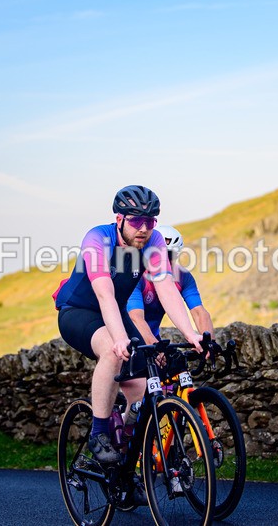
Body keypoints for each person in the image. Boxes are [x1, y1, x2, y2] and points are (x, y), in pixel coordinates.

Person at [55, 186, 203, 465]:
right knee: (113, 351)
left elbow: (166, 288)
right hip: (79, 311)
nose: (143, 229)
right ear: (119, 219)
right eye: (136, 221)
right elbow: (105, 295)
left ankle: (125, 456)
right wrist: (120, 338)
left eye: (150, 221)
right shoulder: (98, 238)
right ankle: (99, 434)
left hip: (114, 312)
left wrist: (191, 333)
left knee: (143, 383)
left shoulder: (154, 241)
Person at [127, 225, 215, 345]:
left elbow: (199, 313)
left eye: (169, 255)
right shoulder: (137, 276)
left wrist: (209, 343)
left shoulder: (183, 277)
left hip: (154, 338)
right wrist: (155, 346)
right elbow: (135, 318)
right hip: (127, 338)